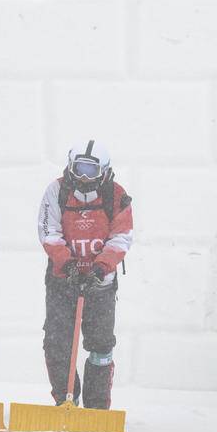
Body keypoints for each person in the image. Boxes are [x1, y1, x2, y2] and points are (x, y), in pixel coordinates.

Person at [38, 140, 133, 409]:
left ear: (103, 172)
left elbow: (121, 237)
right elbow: (48, 231)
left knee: (100, 347)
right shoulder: (57, 191)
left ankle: (97, 405)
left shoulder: (116, 196)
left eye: (90, 171)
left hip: (100, 284)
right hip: (62, 282)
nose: (83, 177)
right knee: (57, 344)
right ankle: (66, 399)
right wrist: (67, 264)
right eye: (79, 169)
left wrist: (101, 267)